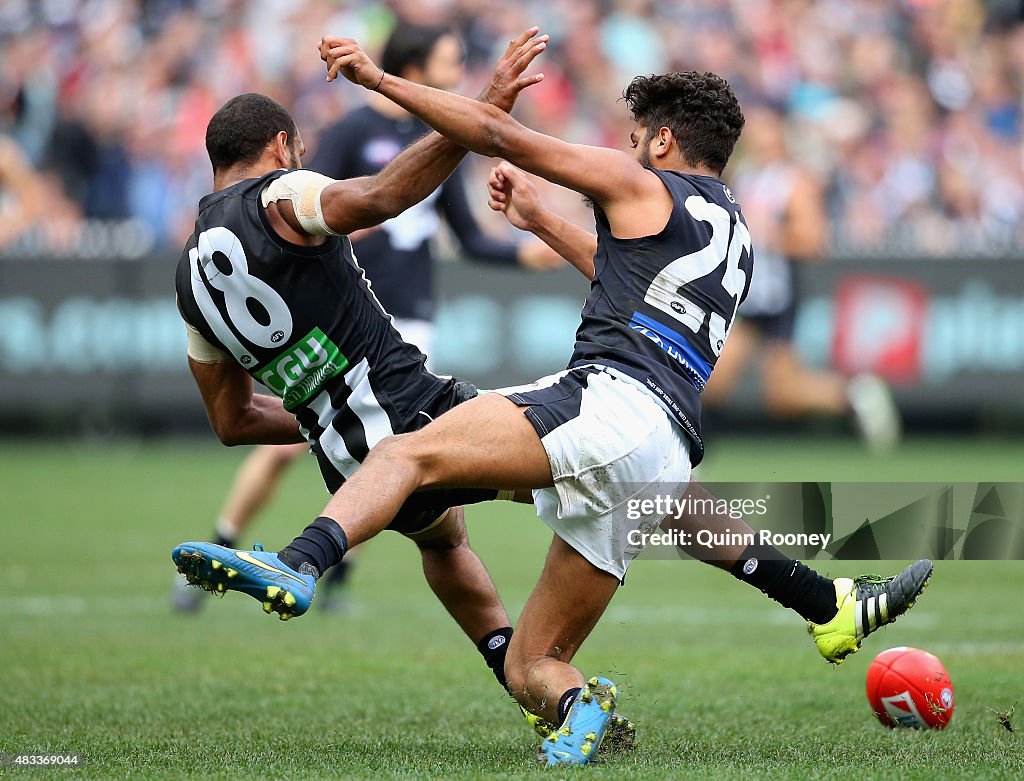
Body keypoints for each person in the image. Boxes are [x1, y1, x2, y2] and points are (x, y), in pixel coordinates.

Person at [174, 37, 932, 766]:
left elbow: (497, 133)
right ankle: (821, 605)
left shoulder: (643, 181)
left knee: (406, 450)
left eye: (638, 138)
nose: (630, 150)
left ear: (663, 142)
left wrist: (381, 83)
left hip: (611, 403)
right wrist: (540, 221)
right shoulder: (729, 227)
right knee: (532, 661)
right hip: (663, 443)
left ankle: (300, 561)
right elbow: (619, 275)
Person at [173, 22, 561, 615]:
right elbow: (379, 196)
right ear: (284, 148)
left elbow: (232, 421)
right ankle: (757, 555)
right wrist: (484, 110)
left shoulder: (187, 280)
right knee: (593, 460)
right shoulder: (283, 193)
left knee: (447, 539)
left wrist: (320, 414)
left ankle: (540, 691)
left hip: (344, 451)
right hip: (406, 405)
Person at [701, 104, 901, 449]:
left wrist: (771, 233)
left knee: (724, 381)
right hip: (747, 293)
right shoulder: (746, 174)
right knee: (774, 394)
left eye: (765, 125)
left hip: (774, 297)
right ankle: (853, 395)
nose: (756, 134)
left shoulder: (792, 181)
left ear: (780, 130)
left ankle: (689, 461)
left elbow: (813, 241)